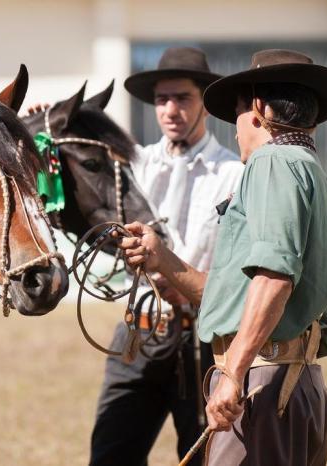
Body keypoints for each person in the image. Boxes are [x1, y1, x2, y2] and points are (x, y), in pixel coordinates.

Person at [113, 49, 327, 466]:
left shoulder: (272, 161)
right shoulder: (311, 170)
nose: (236, 131)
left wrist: (234, 372)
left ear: (257, 109)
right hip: (298, 380)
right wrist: (160, 255)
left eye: (236, 114)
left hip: (263, 379)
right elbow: (235, 293)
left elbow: (275, 277)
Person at [89, 47, 244, 466]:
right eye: (162, 100)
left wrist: (183, 281)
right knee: (110, 453)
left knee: (202, 457)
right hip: (137, 330)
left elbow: (237, 266)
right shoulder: (134, 165)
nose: (170, 109)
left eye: (183, 98)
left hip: (201, 337)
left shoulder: (234, 174)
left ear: (205, 103)